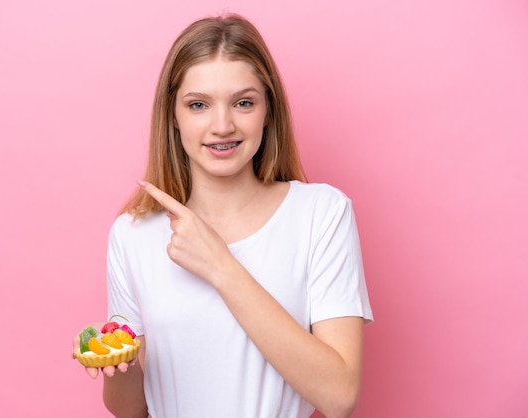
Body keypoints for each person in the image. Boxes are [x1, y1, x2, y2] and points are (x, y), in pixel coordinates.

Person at [73, 12, 373, 418]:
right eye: (198, 105)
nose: (222, 125)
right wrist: (113, 366)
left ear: (268, 110)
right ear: (173, 116)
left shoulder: (322, 213)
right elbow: (131, 410)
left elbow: (339, 396)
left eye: (243, 102)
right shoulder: (133, 233)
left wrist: (220, 266)